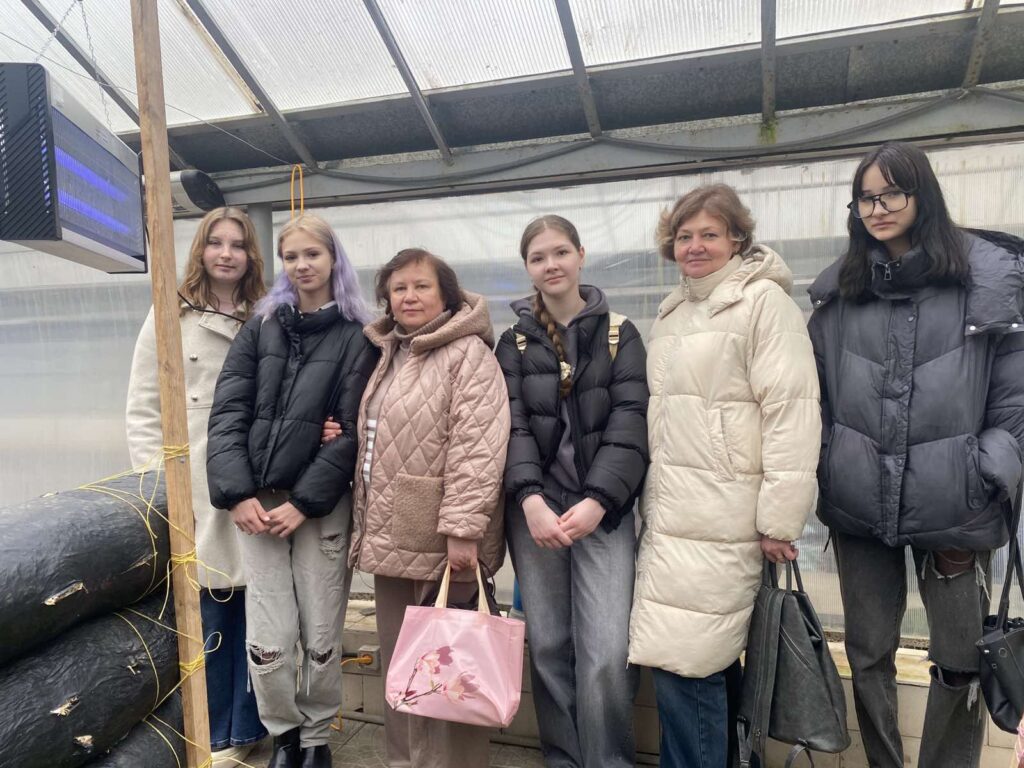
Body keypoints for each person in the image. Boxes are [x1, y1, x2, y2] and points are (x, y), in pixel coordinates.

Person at [808, 141, 1024, 768]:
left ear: (921, 194)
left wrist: (987, 467)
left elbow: (1014, 395)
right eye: (866, 197)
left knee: (960, 658)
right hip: (857, 497)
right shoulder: (842, 292)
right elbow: (815, 395)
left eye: (892, 193)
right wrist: (829, 460)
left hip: (954, 498)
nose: (878, 208)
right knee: (869, 651)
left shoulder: (984, 280)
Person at [628, 184, 820, 767]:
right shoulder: (673, 312)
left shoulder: (763, 305)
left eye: (709, 234)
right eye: (684, 236)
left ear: (737, 238)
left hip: (725, 513)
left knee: (687, 662)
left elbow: (791, 411)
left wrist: (780, 519)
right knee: (704, 661)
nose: (694, 246)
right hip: (673, 513)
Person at [206, 214, 377, 768]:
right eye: (291, 256)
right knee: (270, 631)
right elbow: (227, 414)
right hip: (258, 505)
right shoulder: (261, 328)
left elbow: (351, 429)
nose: (302, 266)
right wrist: (237, 495)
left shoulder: (358, 336)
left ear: (334, 259)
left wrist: (304, 503)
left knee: (322, 626)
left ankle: (316, 738)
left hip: (320, 509)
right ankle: (283, 733)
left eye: (312, 254)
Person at [328, 248, 510, 768]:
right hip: (391, 535)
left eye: (421, 286)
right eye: (399, 288)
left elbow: (478, 446)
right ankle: (404, 762)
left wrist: (463, 529)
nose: (409, 297)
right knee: (404, 665)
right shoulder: (390, 351)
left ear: (446, 294)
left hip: (440, 538)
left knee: (449, 671)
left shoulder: (467, 354)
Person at [494, 214, 649, 767]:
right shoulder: (513, 342)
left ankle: (607, 761)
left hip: (601, 513)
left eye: (560, 252)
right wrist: (530, 499)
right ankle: (563, 757)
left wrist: (599, 501)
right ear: (528, 268)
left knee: (606, 649)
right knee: (549, 643)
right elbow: (509, 425)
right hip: (535, 513)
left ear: (581, 255)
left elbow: (630, 424)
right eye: (538, 257)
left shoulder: (620, 334)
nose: (551, 265)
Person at [125, 206, 267, 768]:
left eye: (238, 244)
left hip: (256, 478)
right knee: (206, 607)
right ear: (200, 250)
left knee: (258, 606)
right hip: (193, 481)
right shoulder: (170, 312)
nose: (227, 254)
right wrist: (158, 484)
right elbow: (143, 405)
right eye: (216, 242)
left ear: (251, 255)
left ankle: (247, 727)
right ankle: (212, 733)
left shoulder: (265, 315)